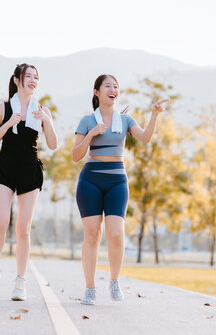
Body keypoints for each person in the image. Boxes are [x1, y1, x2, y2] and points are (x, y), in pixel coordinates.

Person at [72, 74, 168, 305]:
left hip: (117, 181)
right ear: (97, 92)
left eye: (115, 86)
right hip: (90, 181)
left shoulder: (125, 121)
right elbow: (76, 155)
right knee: (93, 235)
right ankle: (90, 287)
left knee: (116, 233)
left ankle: (114, 280)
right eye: (107, 86)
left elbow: (145, 138)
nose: (112, 89)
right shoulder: (87, 120)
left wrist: (154, 115)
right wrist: (92, 134)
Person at [0, 63, 58, 301]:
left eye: (36, 77)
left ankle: (20, 281)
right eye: (29, 76)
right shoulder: (3, 108)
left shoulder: (42, 110)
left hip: (29, 167)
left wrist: (48, 121)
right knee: (2, 220)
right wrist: (8, 123)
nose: (33, 81)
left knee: (23, 228)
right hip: (6, 165)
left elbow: (54, 144)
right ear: (17, 80)